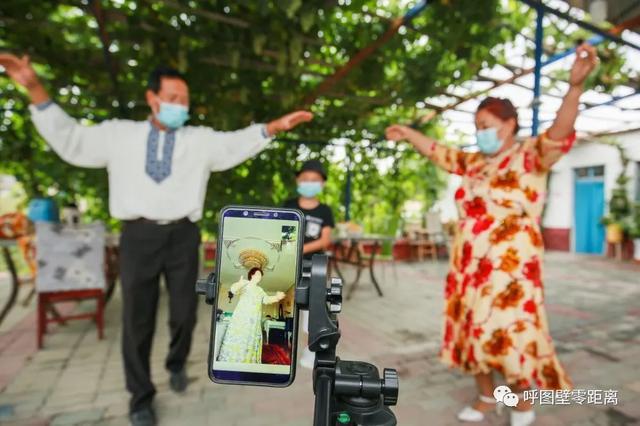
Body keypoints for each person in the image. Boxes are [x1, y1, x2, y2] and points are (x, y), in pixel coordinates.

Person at [0, 53, 313, 426]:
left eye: (185, 99)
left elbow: (233, 143)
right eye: (173, 98)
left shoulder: (199, 140)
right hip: (138, 235)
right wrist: (35, 87)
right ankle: (140, 398)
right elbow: (72, 139)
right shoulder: (119, 135)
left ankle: (176, 364)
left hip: (184, 235)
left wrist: (273, 127)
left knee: (185, 313)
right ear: (152, 98)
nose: (180, 105)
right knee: (137, 319)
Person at [385, 43, 598, 426]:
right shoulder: (474, 163)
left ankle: (520, 403)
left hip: (511, 269)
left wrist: (575, 88)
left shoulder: (530, 156)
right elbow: (437, 151)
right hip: (469, 266)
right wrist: (407, 132)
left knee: (510, 333)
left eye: (485, 126)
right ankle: (486, 397)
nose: (479, 133)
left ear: (509, 123)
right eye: (477, 127)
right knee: (472, 330)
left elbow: (560, 132)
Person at [282, 159, 335, 368]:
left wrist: (300, 250)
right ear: (298, 180)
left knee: (312, 310)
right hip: (287, 265)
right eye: (305, 178)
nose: (309, 183)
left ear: (322, 183)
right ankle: (281, 349)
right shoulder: (289, 206)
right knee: (284, 305)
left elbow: (325, 240)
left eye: (315, 180)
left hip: (313, 267)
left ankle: (310, 349)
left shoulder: (325, 211)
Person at [218, 268, 285, 363]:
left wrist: (277, 297)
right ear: (252, 275)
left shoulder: (260, 290)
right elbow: (233, 290)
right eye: (258, 274)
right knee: (240, 338)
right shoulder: (245, 283)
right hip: (242, 319)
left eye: (261, 275)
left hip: (254, 322)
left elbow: (266, 299)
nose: (260, 276)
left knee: (250, 340)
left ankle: (247, 361)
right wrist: (239, 284)